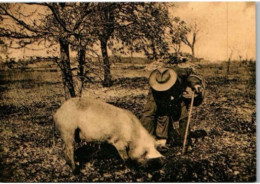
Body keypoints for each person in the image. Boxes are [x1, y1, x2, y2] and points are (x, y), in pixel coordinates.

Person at [140, 66, 205, 152]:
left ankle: (185, 141)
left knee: (183, 115)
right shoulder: (155, 86)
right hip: (158, 95)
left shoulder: (179, 72)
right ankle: (146, 141)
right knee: (150, 113)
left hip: (177, 93)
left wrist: (195, 84)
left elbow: (191, 75)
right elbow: (148, 114)